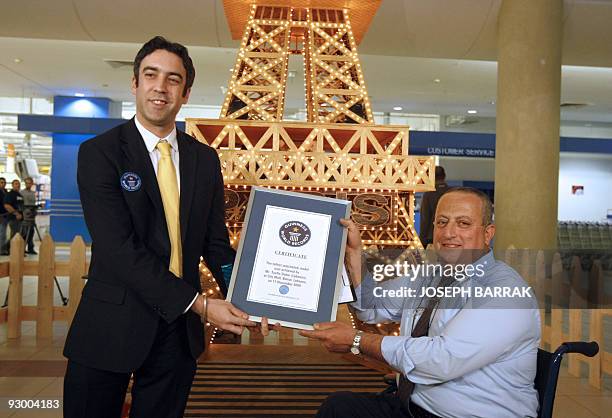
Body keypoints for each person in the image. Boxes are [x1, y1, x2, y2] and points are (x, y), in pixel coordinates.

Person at [63, 36, 274, 418]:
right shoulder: (99, 153)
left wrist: (250, 296)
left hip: (176, 333)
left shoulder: (203, 159)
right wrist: (200, 304)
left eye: (173, 79)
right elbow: (118, 248)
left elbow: (216, 244)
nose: (161, 87)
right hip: (111, 324)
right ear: (135, 83)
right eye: (151, 75)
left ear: (186, 92)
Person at [301, 187, 540, 418]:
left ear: (488, 233)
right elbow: (373, 307)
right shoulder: (430, 274)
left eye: (463, 223)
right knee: (339, 407)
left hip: (470, 414)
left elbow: (441, 360)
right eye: (442, 222)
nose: (449, 233)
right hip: (413, 404)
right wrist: (354, 254)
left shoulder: (505, 290)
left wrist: (356, 340)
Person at [419, 166, 448, 247]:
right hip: (448, 236)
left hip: (431, 238)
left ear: (431, 177)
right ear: (444, 176)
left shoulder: (428, 194)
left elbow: (425, 219)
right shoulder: (452, 192)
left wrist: (422, 241)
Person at [3, 179, 24, 254]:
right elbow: (7, 205)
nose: (17, 185)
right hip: (13, 218)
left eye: (18, 184)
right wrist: (16, 213)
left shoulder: (20, 195)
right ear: (12, 185)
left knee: (18, 234)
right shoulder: (10, 194)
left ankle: (13, 250)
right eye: (15, 184)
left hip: (20, 219)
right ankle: (5, 249)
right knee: (15, 235)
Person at [21, 177, 38, 255]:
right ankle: (22, 248)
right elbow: (21, 204)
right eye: (27, 183)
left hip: (32, 215)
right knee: (24, 233)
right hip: (25, 215)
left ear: (32, 184)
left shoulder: (33, 193)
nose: (28, 184)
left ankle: (31, 248)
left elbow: (34, 203)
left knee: (31, 232)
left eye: (30, 183)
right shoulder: (21, 193)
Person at [0, 177, 7, 255]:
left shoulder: (5, 191)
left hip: (5, 214)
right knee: (2, 232)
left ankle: (3, 248)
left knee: (3, 233)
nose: (3, 184)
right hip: (1, 215)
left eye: (4, 182)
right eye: (1, 182)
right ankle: (1, 250)